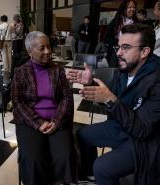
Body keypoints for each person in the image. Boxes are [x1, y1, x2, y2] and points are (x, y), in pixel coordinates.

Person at [66, 24, 160, 185]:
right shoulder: (124, 69)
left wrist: (111, 99)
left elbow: (142, 130)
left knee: (103, 168)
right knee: (81, 136)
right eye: (119, 46)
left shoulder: (156, 81)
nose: (118, 53)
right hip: (121, 126)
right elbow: (110, 99)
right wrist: (91, 84)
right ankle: (89, 177)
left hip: (145, 142)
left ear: (145, 51)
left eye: (126, 47)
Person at [11, 31, 76, 185]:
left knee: (65, 155)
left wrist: (56, 121)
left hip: (57, 119)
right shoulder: (20, 72)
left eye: (49, 47)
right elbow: (18, 102)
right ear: (30, 51)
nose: (48, 51)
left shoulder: (58, 69)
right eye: (42, 48)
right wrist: (38, 123)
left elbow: (67, 97)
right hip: (30, 121)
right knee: (33, 158)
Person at [103, 0, 138, 67]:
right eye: (129, 7)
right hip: (115, 54)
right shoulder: (116, 22)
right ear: (123, 8)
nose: (132, 9)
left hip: (131, 55)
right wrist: (119, 41)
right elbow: (106, 38)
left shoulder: (137, 23)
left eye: (134, 7)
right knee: (114, 74)